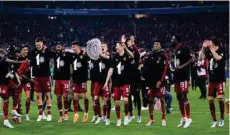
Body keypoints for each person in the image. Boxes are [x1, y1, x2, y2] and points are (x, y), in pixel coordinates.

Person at [103, 38, 134, 127]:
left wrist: (126, 48)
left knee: (125, 101)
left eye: (117, 46)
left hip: (126, 82)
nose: (116, 47)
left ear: (121, 47)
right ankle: (119, 119)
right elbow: (111, 70)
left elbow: (132, 56)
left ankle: (126, 117)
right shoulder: (115, 58)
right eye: (116, 46)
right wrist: (106, 82)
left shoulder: (126, 55)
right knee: (116, 102)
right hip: (116, 82)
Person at [199, 37, 226, 127]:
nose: (208, 42)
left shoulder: (222, 50)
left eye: (210, 41)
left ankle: (222, 119)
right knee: (210, 100)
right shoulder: (209, 51)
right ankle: (214, 120)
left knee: (220, 98)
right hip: (212, 80)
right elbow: (200, 58)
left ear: (214, 43)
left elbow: (218, 58)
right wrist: (203, 48)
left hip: (220, 79)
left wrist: (211, 49)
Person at [142, 39, 169, 126]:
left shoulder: (163, 55)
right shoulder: (150, 54)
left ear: (160, 45)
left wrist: (160, 81)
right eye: (154, 44)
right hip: (151, 82)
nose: (156, 45)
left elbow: (165, 69)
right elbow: (145, 65)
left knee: (161, 99)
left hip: (160, 81)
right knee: (150, 100)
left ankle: (163, 119)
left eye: (157, 44)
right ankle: (151, 119)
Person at [171, 34, 193, 128]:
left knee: (184, 96)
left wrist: (182, 66)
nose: (171, 40)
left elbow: (192, 59)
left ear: (177, 40)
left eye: (173, 39)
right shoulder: (175, 50)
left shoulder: (184, 48)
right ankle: (183, 117)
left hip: (184, 75)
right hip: (177, 76)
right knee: (179, 96)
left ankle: (189, 118)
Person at [28, 37, 52, 122]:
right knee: (38, 95)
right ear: (35, 44)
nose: (38, 46)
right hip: (37, 77)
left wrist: (47, 50)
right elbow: (29, 60)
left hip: (46, 76)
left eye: (39, 44)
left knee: (48, 95)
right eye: (37, 45)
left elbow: (52, 55)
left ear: (42, 44)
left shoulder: (47, 51)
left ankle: (49, 114)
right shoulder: (32, 52)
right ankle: (40, 114)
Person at [90, 42, 111, 125]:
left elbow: (107, 58)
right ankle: (99, 116)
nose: (102, 48)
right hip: (98, 82)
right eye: (101, 46)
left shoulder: (109, 57)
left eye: (104, 47)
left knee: (106, 100)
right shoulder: (96, 57)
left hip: (106, 82)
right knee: (95, 99)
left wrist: (101, 54)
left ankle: (106, 117)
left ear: (107, 48)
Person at [52, 42, 72, 122]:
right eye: (57, 47)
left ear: (63, 47)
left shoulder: (67, 55)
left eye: (59, 46)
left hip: (65, 79)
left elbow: (71, 59)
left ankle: (66, 113)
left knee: (65, 96)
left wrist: (65, 53)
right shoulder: (55, 55)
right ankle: (60, 115)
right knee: (58, 98)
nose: (58, 48)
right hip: (57, 79)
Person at [71, 41, 89, 123]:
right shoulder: (73, 55)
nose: (73, 48)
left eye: (74, 47)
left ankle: (86, 114)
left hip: (82, 79)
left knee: (84, 96)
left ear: (78, 46)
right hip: (75, 79)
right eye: (72, 47)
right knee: (75, 96)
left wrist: (88, 44)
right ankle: (76, 115)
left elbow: (86, 53)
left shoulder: (83, 53)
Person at [126, 36, 142, 123]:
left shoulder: (135, 51)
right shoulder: (126, 52)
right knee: (128, 96)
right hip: (128, 77)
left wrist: (134, 44)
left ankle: (139, 115)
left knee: (137, 96)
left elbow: (137, 53)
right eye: (127, 41)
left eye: (129, 41)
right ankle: (131, 114)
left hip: (136, 77)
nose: (128, 42)